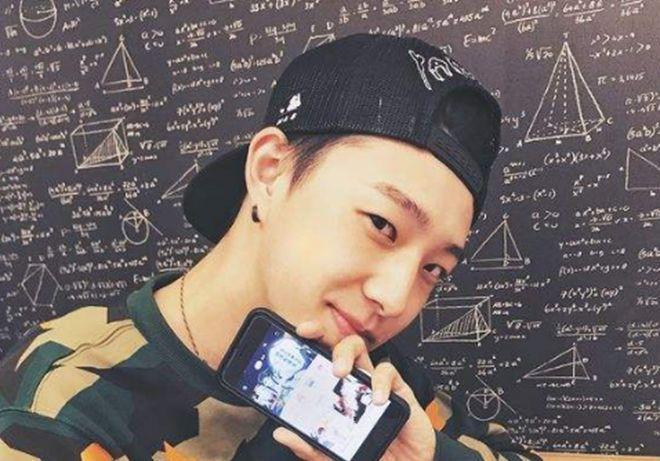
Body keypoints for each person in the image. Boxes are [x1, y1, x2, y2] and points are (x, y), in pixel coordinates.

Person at [0, 33, 543, 460]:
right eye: (382, 224)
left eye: (434, 269)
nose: (395, 299)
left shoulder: (362, 377)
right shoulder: (65, 399)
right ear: (270, 170)